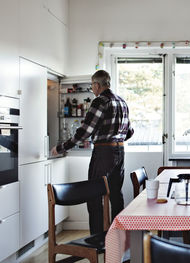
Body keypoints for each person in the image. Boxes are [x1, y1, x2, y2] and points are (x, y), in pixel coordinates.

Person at [51, 70, 134, 235]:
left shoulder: (99, 101)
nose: (92, 89)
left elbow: (85, 132)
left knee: (94, 194)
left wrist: (61, 148)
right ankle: (118, 237)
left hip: (103, 152)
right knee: (116, 194)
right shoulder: (122, 102)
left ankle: (97, 239)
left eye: (92, 86)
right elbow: (130, 132)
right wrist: (115, 136)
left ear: (97, 84)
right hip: (119, 150)